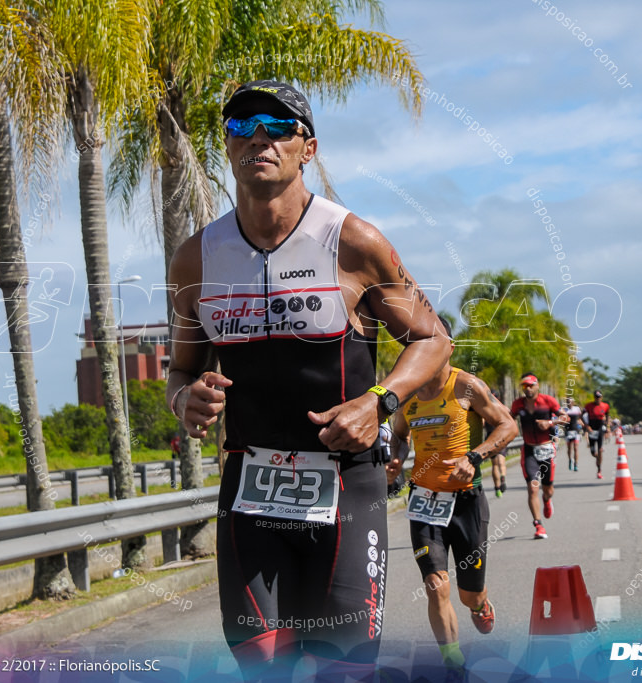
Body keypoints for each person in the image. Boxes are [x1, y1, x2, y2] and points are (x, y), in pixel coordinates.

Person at [165, 79, 451, 681]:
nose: (258, 138)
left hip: (348, 485)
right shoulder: (196, 258)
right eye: (242, 126)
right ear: (227, 143)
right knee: (263, 664)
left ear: (308, 148)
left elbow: (433, 339)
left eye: (277, 126)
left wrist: (381, 400)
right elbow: (182, 371)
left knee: (341, 668)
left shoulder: (352, 242)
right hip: (249, 489)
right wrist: (184, 399)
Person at [384, 340, 517, 675]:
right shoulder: (407, 392)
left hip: (466, 501)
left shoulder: (466, 386)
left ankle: (480, 604)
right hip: (424, 500)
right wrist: (397, 458)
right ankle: (454, 663)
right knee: (435, 583)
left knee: (469, 595)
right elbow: (399, 434)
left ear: (445, 352)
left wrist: (475, 457)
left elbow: (508, 425)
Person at [510, 373, 568, 540]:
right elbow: (508, 418)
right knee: (532, 488)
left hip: (546, 449)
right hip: (529, 450)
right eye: (524, 386)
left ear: (537, 385)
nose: (527, 389)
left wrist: (550, 423)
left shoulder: (547, 400)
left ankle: (547, 500)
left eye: (530, 385)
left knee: (548, 489)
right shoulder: (518, 404)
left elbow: (565, 417)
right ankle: (538, 525)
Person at [583, 390, 610, 479]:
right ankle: (597, 457)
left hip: (600, 429)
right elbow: (582, 417)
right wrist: (587, 427)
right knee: (593, 452)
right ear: (594, 397)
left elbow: (607, 416)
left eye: (599, 397)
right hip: (591, 429)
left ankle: (599, 470)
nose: (597, 399)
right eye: (596, 397)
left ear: (601, 397)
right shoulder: (588, 406)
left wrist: (607, 428)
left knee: (600, 450)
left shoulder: (605, 406)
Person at [487, 389, 509, 497]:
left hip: (502, 438)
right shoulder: (484, 410)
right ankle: (497, 487)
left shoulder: (503, 409)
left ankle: (503, 479)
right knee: (495, 463)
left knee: (501, 461)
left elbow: (511, 420)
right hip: (491, 439)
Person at [563, 397, 583, 471]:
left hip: (576, 431)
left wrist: (581, 422)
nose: (569, 403)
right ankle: (570, 460)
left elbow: (580, 417)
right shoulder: (565, 410)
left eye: (570, 402)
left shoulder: (577, 409)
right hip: (568, 431)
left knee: (576, 448)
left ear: (573, 402)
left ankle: (576, 464)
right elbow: (562, 419)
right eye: (567, 402)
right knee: (569, 449)